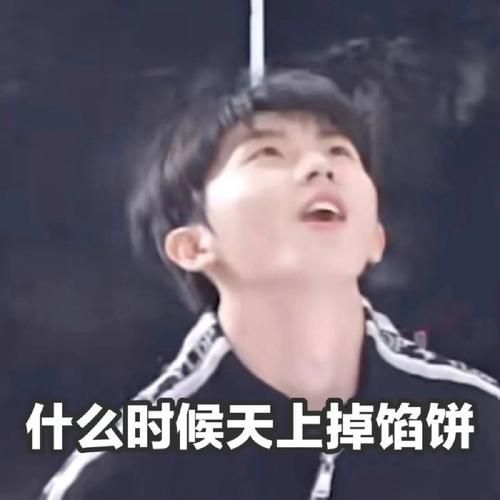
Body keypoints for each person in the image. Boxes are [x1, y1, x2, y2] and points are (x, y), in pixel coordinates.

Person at [40, 68, 500, 500]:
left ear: (375, 239)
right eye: (268, 153)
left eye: (339, 152)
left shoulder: (479, 427)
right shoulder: (127, 473)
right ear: (193, 246)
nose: (320, 166)